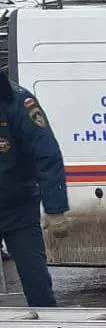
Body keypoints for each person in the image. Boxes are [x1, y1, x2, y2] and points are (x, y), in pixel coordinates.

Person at [0, 72, 69, 307]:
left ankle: (48, 325)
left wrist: (56, 209)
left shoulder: (17, 101)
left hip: (18, 207)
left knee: (36, 280)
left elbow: (46, 154)